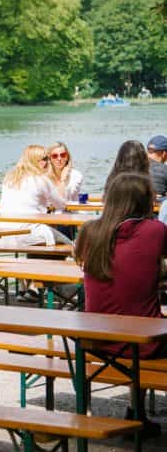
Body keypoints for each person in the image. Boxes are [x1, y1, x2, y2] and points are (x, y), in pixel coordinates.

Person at [75, 172, 167, 436]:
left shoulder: (90, 231)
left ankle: (133, 410)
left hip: (96, 341)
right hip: (144, 344)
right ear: (145, 202)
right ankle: (135, 410)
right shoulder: (155, 230)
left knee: (135, 318)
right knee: (145, 323)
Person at [0, 146, 71, 302]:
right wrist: (63, 179)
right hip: (29, 231)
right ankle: (55, 288)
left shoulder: (10, 178)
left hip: (3, 232)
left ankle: (30, 288)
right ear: (35, 161)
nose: (48, 162)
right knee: (70, 247)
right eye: (44, 159)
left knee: (42, 245)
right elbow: (61, 204)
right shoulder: (41, 180)